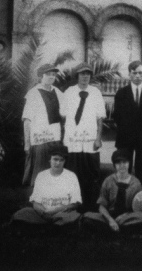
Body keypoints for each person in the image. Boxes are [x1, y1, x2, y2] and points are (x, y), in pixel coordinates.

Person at [61, 62, 106, 212]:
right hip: (73, 142)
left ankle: (91, 206)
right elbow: (63, 116)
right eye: (82, 74)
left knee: (92, 175)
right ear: (77, 76)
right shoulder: (69, 92)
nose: (85, 76)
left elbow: (100, 118)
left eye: (88, 74)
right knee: (73, 174)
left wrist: (98, 138)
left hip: (90, 142)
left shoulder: (96, 93)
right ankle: (73, 206)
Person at [113, 61, 142, 189]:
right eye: (134, 73)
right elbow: (117, 117)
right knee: (123, 169)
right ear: (129, 75)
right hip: (125, 139)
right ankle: (123, 196)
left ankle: (140, 196)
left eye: (140, 73)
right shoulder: (121, 93)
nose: (138, 76)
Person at [11, 145, 82, 227]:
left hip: (62, 213)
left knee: (73, 217)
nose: (58, 163)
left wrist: (55, 210)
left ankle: (49, 226)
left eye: (61, 160)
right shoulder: (41, 175)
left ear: (64, 161)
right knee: (22, 213)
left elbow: (75, 203)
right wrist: (43, 212)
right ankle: (49, 225)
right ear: (50, 160)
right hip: (43, 214)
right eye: (55, 159)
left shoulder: (71, 176)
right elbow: (35, 202)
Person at [82, 150, 142, 235]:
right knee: (87, 216)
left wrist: (124, 216)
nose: (122, 166)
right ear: (114, 165)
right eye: (118, 163)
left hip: (127, 217)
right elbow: (101, 205)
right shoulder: (108, 180)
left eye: (125, 162)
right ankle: (117, 230)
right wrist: (110, 219)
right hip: (109, 216)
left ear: (129, 163)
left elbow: (138, 208)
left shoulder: (136, 183)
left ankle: (115, 231)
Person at [22, 63, 64, 186]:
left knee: (54, 171)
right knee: (39, 171)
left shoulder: (58, 92)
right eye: (48, 74)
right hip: (39, 139)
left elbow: (66, 113)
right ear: (41, 76)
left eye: (53, 74)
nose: (51, 77)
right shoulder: (33, 94)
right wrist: (27, 143)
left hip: (55, 138)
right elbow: (27, 120)